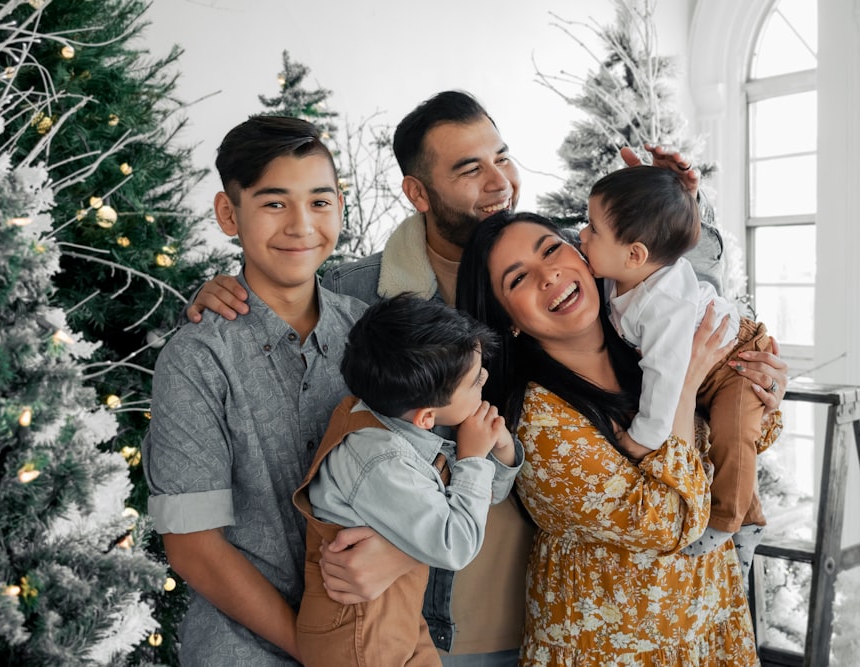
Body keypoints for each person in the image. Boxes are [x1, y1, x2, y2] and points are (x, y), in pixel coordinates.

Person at [184, 91, 790, 666]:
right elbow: (291, 301)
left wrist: (682, 203)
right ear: (418, 192)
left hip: (568, 603)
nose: (498, 182)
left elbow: (671, 277)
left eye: (502, 157)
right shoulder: (358, 300)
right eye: (469, 168)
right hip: (453, 620)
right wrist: (229, 291)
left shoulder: (579, 272)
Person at [456, 210, 782, 666]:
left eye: (551, 250)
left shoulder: (650, 339)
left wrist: (760, 389)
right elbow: (671, 523)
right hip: (612, 647)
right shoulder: (539, 419)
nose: (548, 274)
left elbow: (748, 439)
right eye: (518, 279)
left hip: (710, 627)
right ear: (507, 320)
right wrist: (685, 388)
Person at [142, 116, 375, 666]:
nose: (301, 226)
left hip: (373, 639)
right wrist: (317, 652)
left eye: (319, 202)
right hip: (245, 650)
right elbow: (194, 546)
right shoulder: (198, 356)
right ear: (229, 214)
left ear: (340, 205)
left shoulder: (371, 334)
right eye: (274, 204)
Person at [293, 294, 520, 666]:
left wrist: (500, 450)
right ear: (427, 417)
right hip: (358, 630)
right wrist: (474, 459)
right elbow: (455, 544)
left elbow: (478, 502)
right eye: (475, 381)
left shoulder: (399, 422)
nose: (486, 379)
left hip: (398, 613)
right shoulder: (381, 457)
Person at [578, 165, 781, 577]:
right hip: (707, 361)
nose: (581, 236)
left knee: (731, 434)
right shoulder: (617, 275)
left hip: (736, 361)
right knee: (726, 439)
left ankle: (728, 521)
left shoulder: (662, 306)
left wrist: (641, 440)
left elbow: (666, 379)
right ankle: (751, 516)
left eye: (592, 229)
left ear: (635, 254)